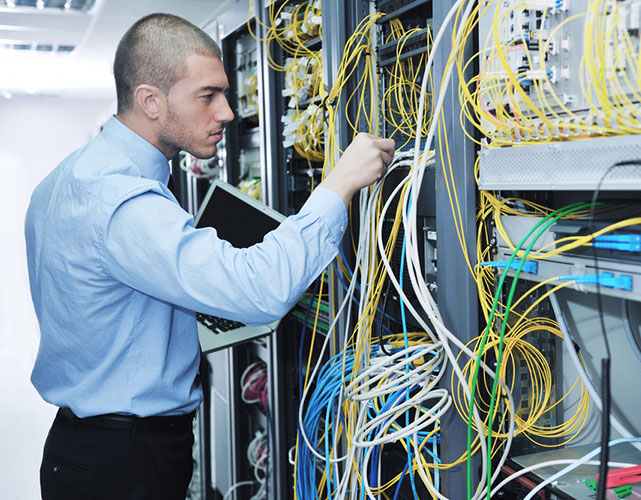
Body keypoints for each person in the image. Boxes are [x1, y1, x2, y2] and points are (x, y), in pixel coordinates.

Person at [25, 13, 394, 500]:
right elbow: (258, 290)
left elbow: (109, 307)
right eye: (207, 96)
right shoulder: (123, 201)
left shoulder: (67, 179)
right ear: (150, 101)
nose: (227, 112)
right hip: (125, 462)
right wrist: (339, 183)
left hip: (87, 449)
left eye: (224, 92)